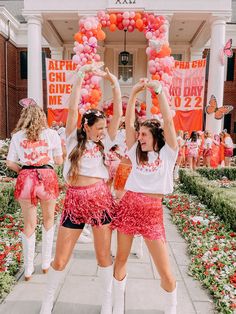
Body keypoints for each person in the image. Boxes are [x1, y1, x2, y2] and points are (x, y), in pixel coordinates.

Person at [40, 62, 122, 314]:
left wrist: (115, 84)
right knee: (61, 258)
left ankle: (107, 302)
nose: (102, 132)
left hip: (100, 200)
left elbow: (118, 114)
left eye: (104, 128)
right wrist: (79, 78)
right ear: (86, 126)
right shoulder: (73, 138)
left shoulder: (104, 143)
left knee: (103, 256)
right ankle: (47, 300)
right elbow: (73, 107)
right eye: (98, 128)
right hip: (74, 201)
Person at [112, 78, 178, 314]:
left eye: (144, 135)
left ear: (155, 137)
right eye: (139, 134)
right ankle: (118, 307)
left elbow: (168, 121)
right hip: (129, 206)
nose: (139, 137)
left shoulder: (169, 153)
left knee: (166, 271)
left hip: (152, 212)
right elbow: (128, 124)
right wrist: (135, 93)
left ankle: (172, 308)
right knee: (120, 259)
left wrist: (158, 90)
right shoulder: (135, 153)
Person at [6, 103, 63, 281]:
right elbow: (59, 161)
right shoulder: (52, 134)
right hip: (47, 176)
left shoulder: (17, 136)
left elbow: (10, 163)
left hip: (26, 179)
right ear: (42, 117)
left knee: (29, 225)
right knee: (48, 220)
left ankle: (28, 269)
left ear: (24, 117)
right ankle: (45, 263)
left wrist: (24, 170)